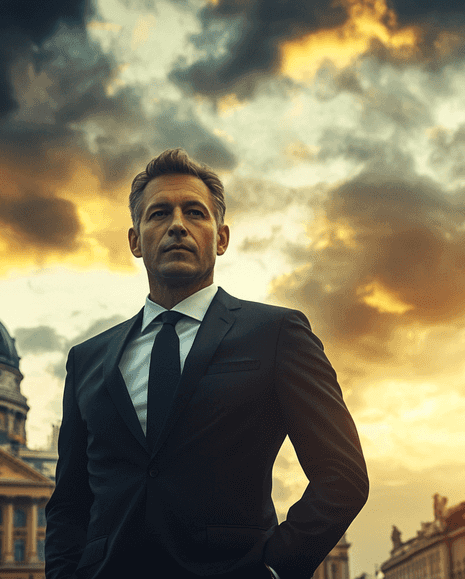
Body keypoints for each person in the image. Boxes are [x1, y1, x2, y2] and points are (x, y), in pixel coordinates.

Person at [45, 149, 369, 579]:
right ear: (135, 240)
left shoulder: (277, 333)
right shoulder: (86, 359)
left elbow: (343, 476)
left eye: (194, 213)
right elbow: (69, 502)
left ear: (220, 238)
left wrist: (272, 569)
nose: (177, 224)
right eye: (159, 213)